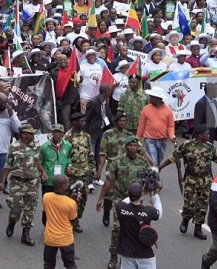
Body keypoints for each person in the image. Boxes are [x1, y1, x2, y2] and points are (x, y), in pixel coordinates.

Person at [96, 135, 152, 269]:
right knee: (117, 228)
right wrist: (101, 198)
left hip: (137, 202)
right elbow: (109, 180)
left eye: (135, 146)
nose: (133, 148)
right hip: (120, 200)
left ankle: (129, 257)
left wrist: (149, 196)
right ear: (126, 147)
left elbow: (148, 181)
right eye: (130, 146)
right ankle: (113, 257)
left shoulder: (143, 163)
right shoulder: (117, 161)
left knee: (136, 228)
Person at [159, 124, 217, 240]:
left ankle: (198, 229)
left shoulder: (210, 147)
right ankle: (185, 219)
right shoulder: (186, 146)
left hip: (205, 180)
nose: (209, 136)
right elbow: (173, 158)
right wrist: (160, 167)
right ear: (199, 135)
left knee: (202, 205)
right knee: (190, 204)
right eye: (206, 134)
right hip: (190, 180)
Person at [2, 123, 46, 247]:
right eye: (30, 133)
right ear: (24, 135)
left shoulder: (37, 146)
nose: (33, 135)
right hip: (17, 181)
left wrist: (43, 172)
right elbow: (8, 165)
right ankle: (12, 222)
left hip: (33, 182)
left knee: (30, 208)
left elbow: (38, 161)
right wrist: (3, 181)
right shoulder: (14, 146)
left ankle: (25, 234)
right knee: (16, 208)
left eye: (33, 133)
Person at [116, 181, 162, 269]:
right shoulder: (149, 211)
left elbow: (126, 200)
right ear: (141, 196)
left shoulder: (120, 208)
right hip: (145, 255)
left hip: (127, 253)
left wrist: (140, 192)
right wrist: (155, 194)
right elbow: (159, 214)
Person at [63, 112, 93, 230]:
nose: (83, 123)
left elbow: (90, 152)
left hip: (84, 172)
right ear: (74, 122)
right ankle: (68, 221)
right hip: (72, 174)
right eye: (81, 121)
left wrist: (92, 168)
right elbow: (64, 156)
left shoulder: (86, 136)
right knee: (70, 197)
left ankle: (76, 220)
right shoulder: (67, 137)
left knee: (83, 198)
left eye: (84, 121)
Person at [43, 174, 79, 269]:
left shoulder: (46, 197)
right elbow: (74, 221)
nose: (69, 184)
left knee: (48, 264)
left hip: (50, 238)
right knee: (70, 264)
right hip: (65, 239)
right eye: (67, 183)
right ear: (64, 186)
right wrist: (76, 202)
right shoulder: (71, 203)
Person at [40, 124, 73, 226]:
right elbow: (39, 162)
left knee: (61, 204)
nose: (57, 134)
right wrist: (43, 172)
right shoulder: (44, 147)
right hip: (48, 181)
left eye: (59, 132)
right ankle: (46, 224)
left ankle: (58, 225)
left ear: (63, 133)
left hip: (62, 181)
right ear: (52, 133)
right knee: (47, 204)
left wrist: (69, 165)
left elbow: (68, 158)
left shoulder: (68, 145)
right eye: (55, 132)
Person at [136, 87, 175, 166]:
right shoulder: (146, 109)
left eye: (152, 97)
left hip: (162, 140)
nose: (149, 98)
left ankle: (153, 175)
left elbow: (170, 126)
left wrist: (171, 136)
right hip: (149, 140)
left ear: (157, 98)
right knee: (153, 162)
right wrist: (138, 138)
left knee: (158, 161)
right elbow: (141, 125)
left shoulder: (168, 111)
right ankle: (156, 178)